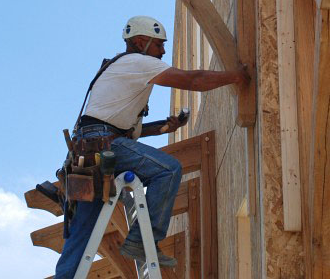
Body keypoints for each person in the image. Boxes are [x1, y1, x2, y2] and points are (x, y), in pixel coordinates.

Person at [55, 15, 249, 279]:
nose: (163, 51)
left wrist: (164, 127)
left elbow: (121, 129)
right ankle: (141, 242)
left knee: (81, 234)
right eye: (159, 45)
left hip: (89, 153)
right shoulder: (138, 62)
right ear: (141, 42)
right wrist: (237, 76)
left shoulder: (122, 72)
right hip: (103, 147)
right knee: (168, 170)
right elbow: (193, 80)